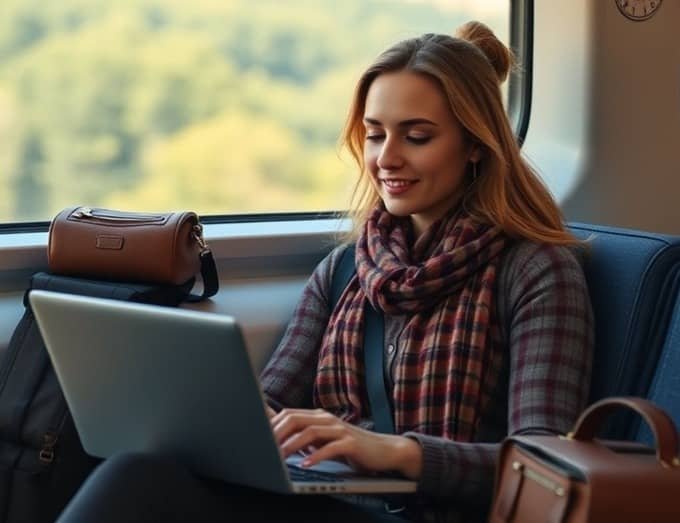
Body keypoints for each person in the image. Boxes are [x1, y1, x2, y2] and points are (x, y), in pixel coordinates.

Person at [58, 21, 593, 523]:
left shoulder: (536, 270)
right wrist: (212, 425)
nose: (386, 158)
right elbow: (269, 397)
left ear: (476, 145)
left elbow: (543, 470)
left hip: (425, 511)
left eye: (417, 136)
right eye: (376, 134)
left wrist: (397, 452)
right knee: (140, 473)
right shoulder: (345, 268)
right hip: (327, 499)